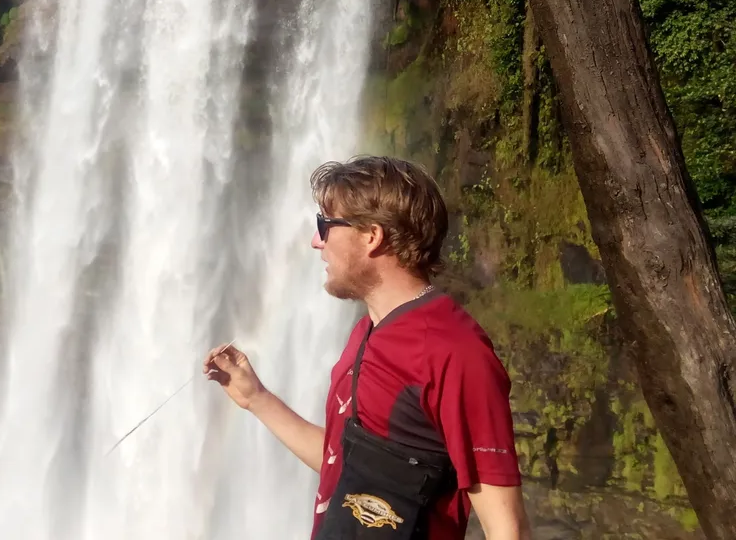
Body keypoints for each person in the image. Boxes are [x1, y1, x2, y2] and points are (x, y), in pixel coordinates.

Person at [204, 155, 531, 540]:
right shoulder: (365, 332)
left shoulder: (455, 353)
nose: (315, 242)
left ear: (372, 236)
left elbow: (508, 529)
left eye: (324, 226)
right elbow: (342, 464)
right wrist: (256, 398)